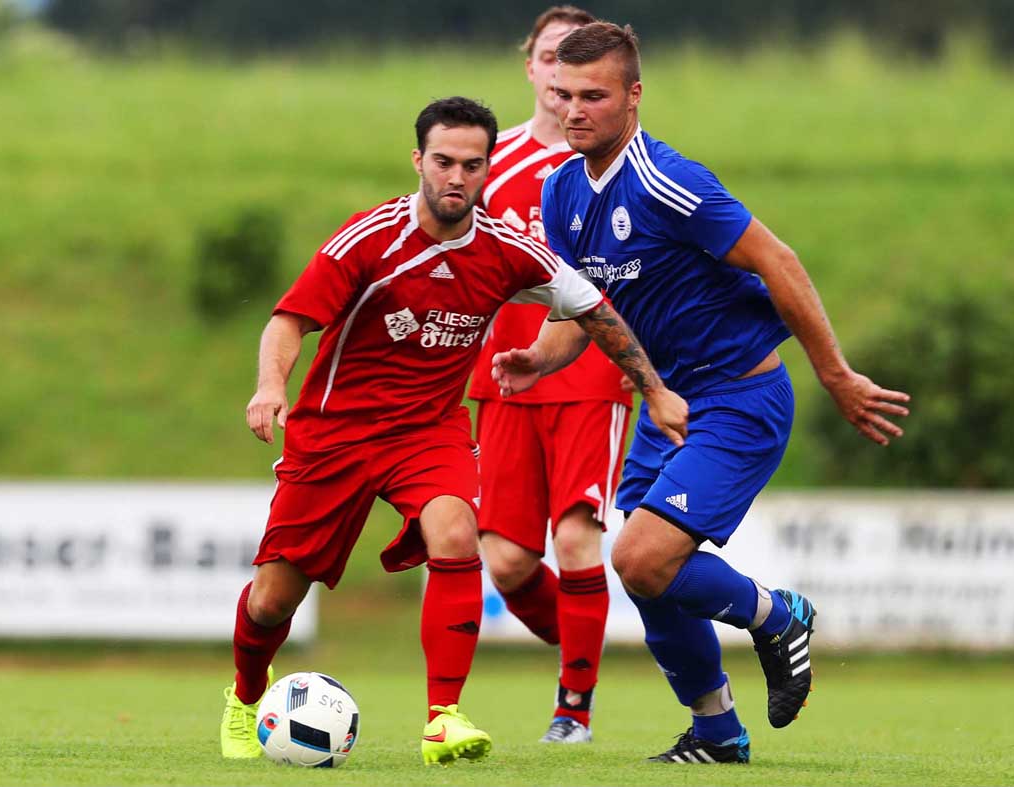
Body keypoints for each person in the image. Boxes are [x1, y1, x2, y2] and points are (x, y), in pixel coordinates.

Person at [219, 96, 688, 767]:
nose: (456, 177)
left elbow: (593, 307)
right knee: (272, 600)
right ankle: (244, 697)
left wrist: (655, 389)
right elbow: (288, 320)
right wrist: (271, 387)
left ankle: (443, 716)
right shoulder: (371, 239)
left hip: (428, 432)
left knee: (457, 530)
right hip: (336, 433)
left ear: (488, 168)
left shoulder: (505, 251)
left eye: (472, 164)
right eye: (443, 161)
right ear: (418, 160)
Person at [492, 23, 911, 764]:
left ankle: (777, 614)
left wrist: (836, 374)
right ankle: (716, 731)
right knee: (646, 575)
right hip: (666, 404)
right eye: (564, 94)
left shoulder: (668, 182)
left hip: (738, 399)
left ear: (634, 96)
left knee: (641, 558)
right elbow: (585, 308)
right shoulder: (562, 191)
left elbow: (778, 261)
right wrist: (540, 358)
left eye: (594, 95)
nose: (574, 110)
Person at [467, 5, 631, 745]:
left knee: (575, 541)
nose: (562, 77)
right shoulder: (485, 160)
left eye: (577, 61)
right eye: (550, 57)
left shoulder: (611, 163)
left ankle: (574, 707)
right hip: (505, 375)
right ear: (532, 66)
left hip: (589, 373)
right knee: (505, 561)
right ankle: (584, 646)